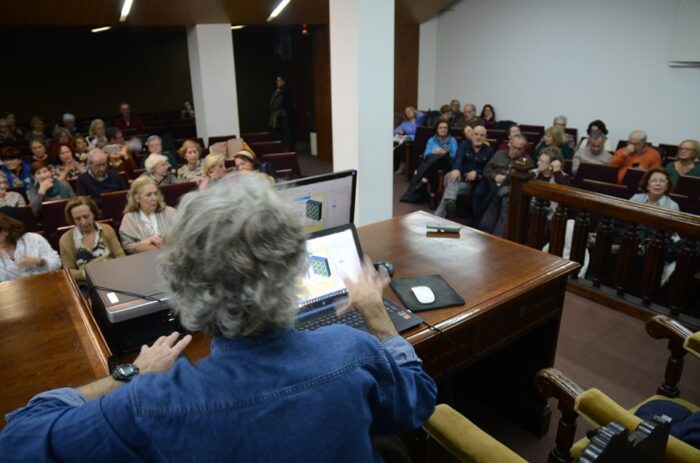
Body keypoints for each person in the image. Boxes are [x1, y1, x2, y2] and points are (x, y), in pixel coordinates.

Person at [0, 177, 437, 461]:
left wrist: (128, 376)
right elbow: (417, 402)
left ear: (182, 284)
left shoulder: (151, 402)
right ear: (294, 268)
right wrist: (376, 315)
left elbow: (18, 441)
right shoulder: (352, 348)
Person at [59, 196, 125, 282]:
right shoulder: (65, 240)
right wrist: (86, 274)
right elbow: (68, 271)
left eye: (86, 217)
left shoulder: (107, 229)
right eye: (77, 219)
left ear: (93, 213)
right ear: (72, 219)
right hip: (87, 282)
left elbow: (121, 256)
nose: (83, 222)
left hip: (114, 275)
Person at [478, 134, 533, 237]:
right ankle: (482, 228)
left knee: (503, 198)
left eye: (519, 149)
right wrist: (495, 176)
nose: (515, 151)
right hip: (492, 183)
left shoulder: (526, 161)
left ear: (523, 150)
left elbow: (526, 181)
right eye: (514, 147)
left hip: (510, 189)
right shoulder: (500, 154)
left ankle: (497, 233)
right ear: (509, 144)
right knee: (481, 192)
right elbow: (486, 169)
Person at [435, 125, 494, 218]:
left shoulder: (489, 150)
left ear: (486, 137)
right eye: (476, 134)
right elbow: (458, 158)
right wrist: (456, 169)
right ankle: (450, 203)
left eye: (482, 135)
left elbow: (488, 169)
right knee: (451, 176)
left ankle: (442, 211)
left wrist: (477, 172)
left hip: (469, 183)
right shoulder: (464, 145)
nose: (478, 137)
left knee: (451, 184)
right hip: (458, 176)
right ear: (472, 135)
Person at [400, 120, 458, 206]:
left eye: (445, 128)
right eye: (441, 128)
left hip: (447, 164)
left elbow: (454, 155)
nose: (443, 129)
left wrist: (444, 152)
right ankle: (432, 195)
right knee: (435, 166)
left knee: (440, 159)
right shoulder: (432, 140)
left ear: (448, 129)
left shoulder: (452, 140)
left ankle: (424, 181)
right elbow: (426, 154)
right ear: (437, 129)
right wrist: (434, 152)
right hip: (433, 165)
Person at [119, 176, 176, 254]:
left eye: (155, 194)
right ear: (137, 198)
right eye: (148, 195)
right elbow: (127, 246)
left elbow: (182, 235)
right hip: (143, 258)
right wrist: (142, 245)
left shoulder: (170, 212)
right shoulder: (129, 218)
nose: (154, 198)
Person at [0, 212, 61, 282]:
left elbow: (57, 263)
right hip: (16, 288)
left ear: (6, 230)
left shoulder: (33, 239)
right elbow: (3, 283)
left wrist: (39, 261)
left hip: (47, 282)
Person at [269, 75, 293, 149]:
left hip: (284, 114)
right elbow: (272, 103)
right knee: (279, 132)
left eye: (279, 80)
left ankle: (287, 148)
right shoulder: (277, 91)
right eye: (277, 80)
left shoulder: (285, 91)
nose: (277, 82)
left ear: (283, 81)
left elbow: (284, 103)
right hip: (277, 115)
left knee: (286, 132)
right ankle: (280, 148)